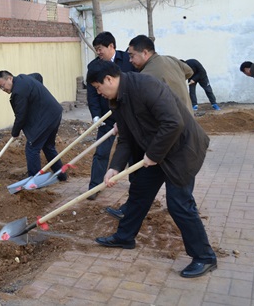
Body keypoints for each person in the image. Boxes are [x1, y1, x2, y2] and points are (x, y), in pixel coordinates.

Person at [87, 59, 217, 278]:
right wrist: (115, 167)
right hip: (157, 150)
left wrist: (153, 155)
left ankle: (205, 257)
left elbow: (173, 122)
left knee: (179, 203)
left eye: (98, 88)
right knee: (140, 191)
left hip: (182, 149)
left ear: (108, 79)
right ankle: (125, 237)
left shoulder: (146, 86)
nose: (99, 93)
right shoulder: (117, 100)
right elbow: (126, 138)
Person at [105, 35, 194, 221]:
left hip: (170, 130)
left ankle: (185, 212)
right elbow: (189, 71)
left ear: (145, 53)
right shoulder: (171, 60)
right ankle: (132, 213)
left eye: (132, 56)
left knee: (171, 186)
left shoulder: (145, 77)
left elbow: (139, 106)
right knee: (152, 179)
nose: (130, 60)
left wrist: (126, 121)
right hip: (183, 123)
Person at [86, 32, 135, 200]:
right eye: (96, 49)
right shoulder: (93, 66)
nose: (98, 52)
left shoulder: (127, 60)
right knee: (101, 151)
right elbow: (92, 94)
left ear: (111, 46)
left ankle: (135, 186)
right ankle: (94, 187)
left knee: (131, 151)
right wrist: (95, 116)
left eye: (100, 48)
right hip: (107, 117)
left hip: (128, 115)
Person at [0, 70, 66, 181]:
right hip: (54, 113)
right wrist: (38, 97)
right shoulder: (23, 78)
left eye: (3, 85)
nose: (3, 89)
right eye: (0, 88)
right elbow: (38, 76)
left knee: (32, 148)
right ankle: (61, 174)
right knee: (48, 146)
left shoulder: (19, 92)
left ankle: (34, 181)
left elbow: (21, 115)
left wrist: (15, 132)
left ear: (10, 78)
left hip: (46, 118)